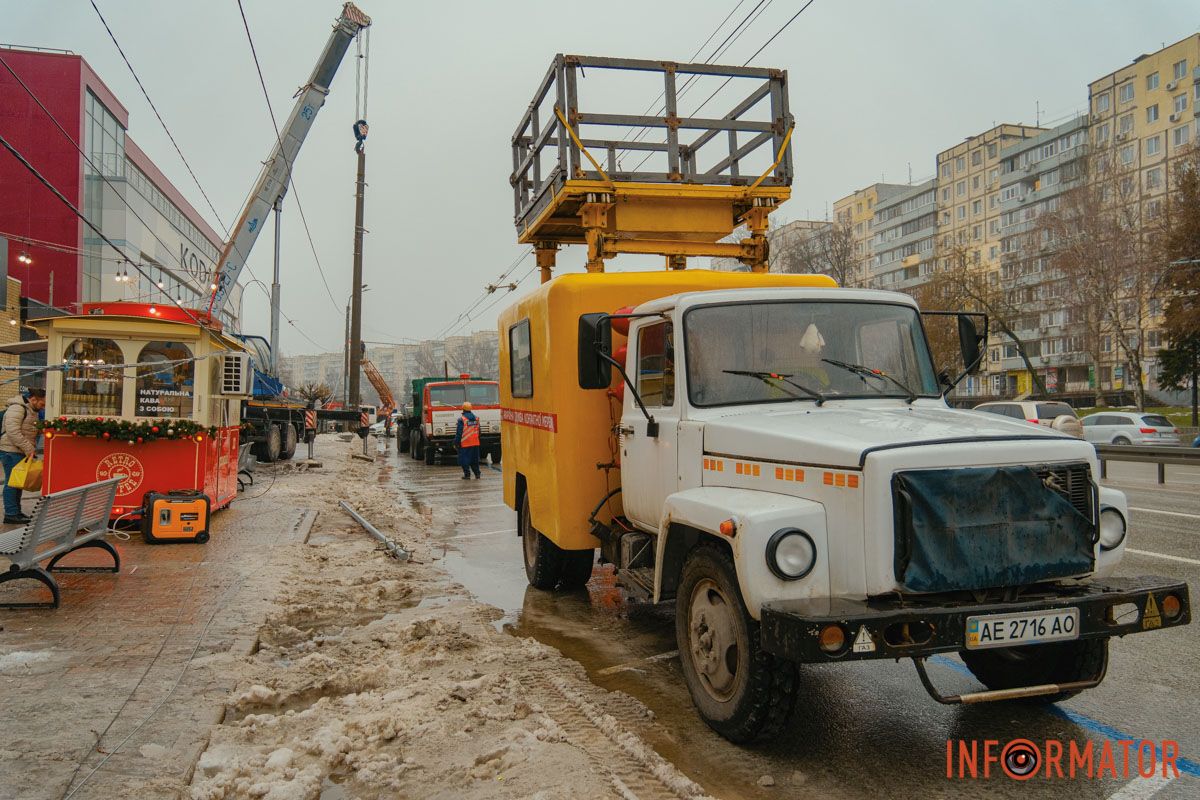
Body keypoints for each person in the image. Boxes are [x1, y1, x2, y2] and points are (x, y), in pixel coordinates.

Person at [1, 387, 46, 524]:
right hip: (11, 451)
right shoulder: (17, 408)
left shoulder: (32, 410)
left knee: (18, 482)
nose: (43, 407)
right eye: (42, 404)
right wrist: (29, 448)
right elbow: (13, 432)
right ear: (33, 399)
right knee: (12, 483)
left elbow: (29, 429)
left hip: (19, 450)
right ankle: (11, 514)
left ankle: (16, 511)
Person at [455, 401, 482, 479]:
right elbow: (479, 431)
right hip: (475, 442)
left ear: (463, 409)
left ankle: (467, 475)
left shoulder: (462, 419)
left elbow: (459, 433)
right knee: (474, 459)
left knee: (464, 460)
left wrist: (456, 442)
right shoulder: (476, 418)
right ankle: (477, 474)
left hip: (465, 443)